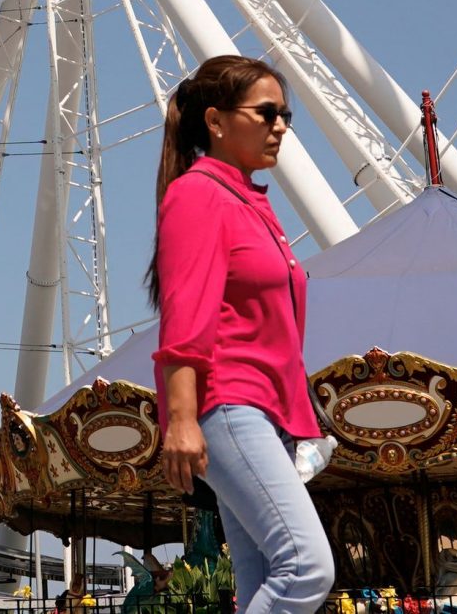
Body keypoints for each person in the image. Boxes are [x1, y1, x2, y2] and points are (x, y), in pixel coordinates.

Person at [149, 57, 332, 614]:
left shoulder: (250, 202)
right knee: (306, 567)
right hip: (230, 402)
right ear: (217, 121)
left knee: (260, 578)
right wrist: (180, 419)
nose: (281, 126)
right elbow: (185, 317)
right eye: (267, 113)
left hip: (268, 411)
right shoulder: (198, 195)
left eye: (286, 116)